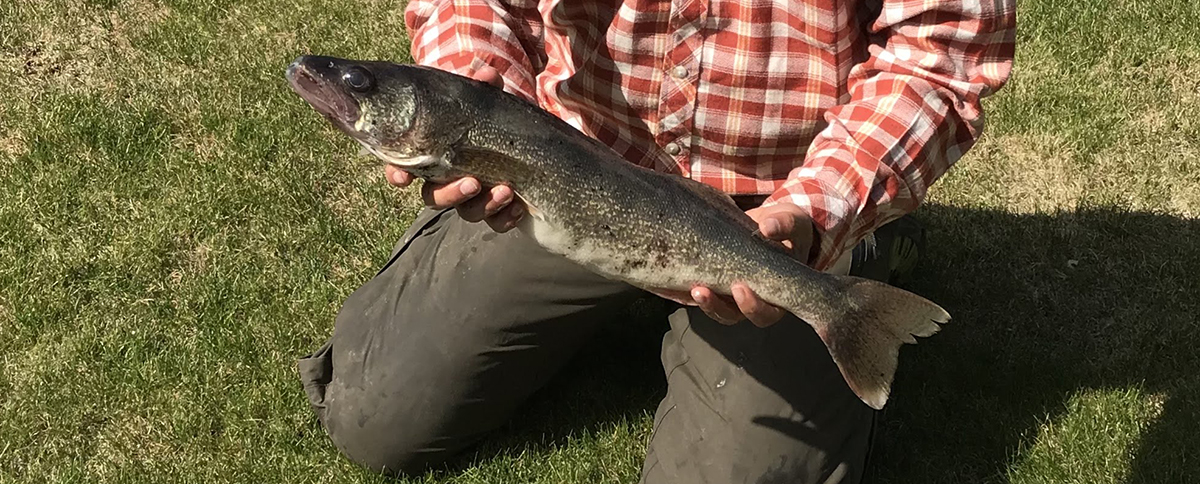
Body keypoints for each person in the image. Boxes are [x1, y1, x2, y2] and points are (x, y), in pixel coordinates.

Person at [296, 1, 1015, 482]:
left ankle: (856, 285)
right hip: (569, 156)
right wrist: (476, 84)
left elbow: (937, 58)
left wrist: (821, 209)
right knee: (374, 419)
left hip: (787, 204)